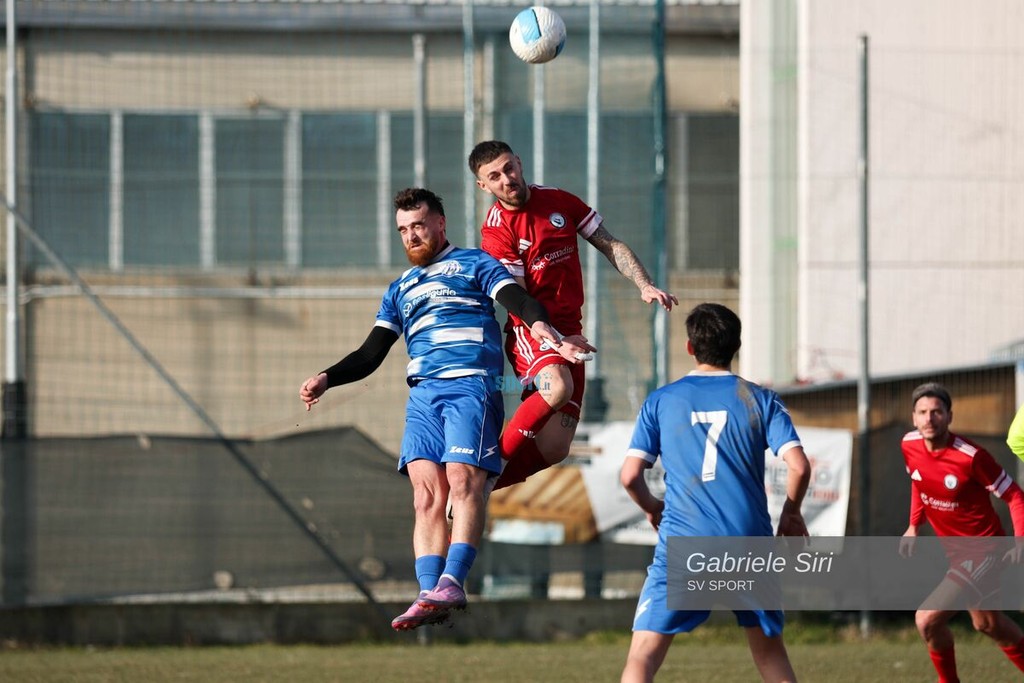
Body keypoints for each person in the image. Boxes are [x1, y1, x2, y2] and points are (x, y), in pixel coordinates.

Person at [299, 187, 589, 631]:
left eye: (418, 225)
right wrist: (327, 377)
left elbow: (519, 301)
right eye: (403, 230)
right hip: (422, 395)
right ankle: (429, 593)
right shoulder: (400, 288)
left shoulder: (475, 264)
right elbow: (371, 352)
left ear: (440, 223)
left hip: (471, 385)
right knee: (425, 496)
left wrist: (544, 329)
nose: (411, 236)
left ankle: (453, 580)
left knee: (462, 480)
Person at [469, 140, 679, 490]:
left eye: (509, 168)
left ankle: (470, 491)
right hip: (532, 331)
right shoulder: (496, 229)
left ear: (519, 163)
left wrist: (644, 284)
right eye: (495, 176)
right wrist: (557, 340)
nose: (506, 179)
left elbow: (609, 243)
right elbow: (519, 300)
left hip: (571, 330)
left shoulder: (558, 200)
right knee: (557, 386)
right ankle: (487, 472)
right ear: (483, 186)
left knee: (555, 447)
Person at [618, 303, 810, 683]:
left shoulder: (662, 400)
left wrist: (653, 507)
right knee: (770, 656)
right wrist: (791, 512)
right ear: (736, 346)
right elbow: (800, 467)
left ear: (690, 347)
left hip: (685, 542)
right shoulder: (761, 399)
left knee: (643, 656)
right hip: (748, 543)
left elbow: (629, 476)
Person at [898, 382, 1024, 682]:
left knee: (927, 619)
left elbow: (1015, 495)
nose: (929, 418)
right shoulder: (909, 444)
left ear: (949, 416)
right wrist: (914, 524)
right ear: (914, 417)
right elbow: (918, 480)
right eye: (922, 412)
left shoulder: (971, 457)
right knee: (988, 624)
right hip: (955, 552)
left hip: (984, 551)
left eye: (937, 412)